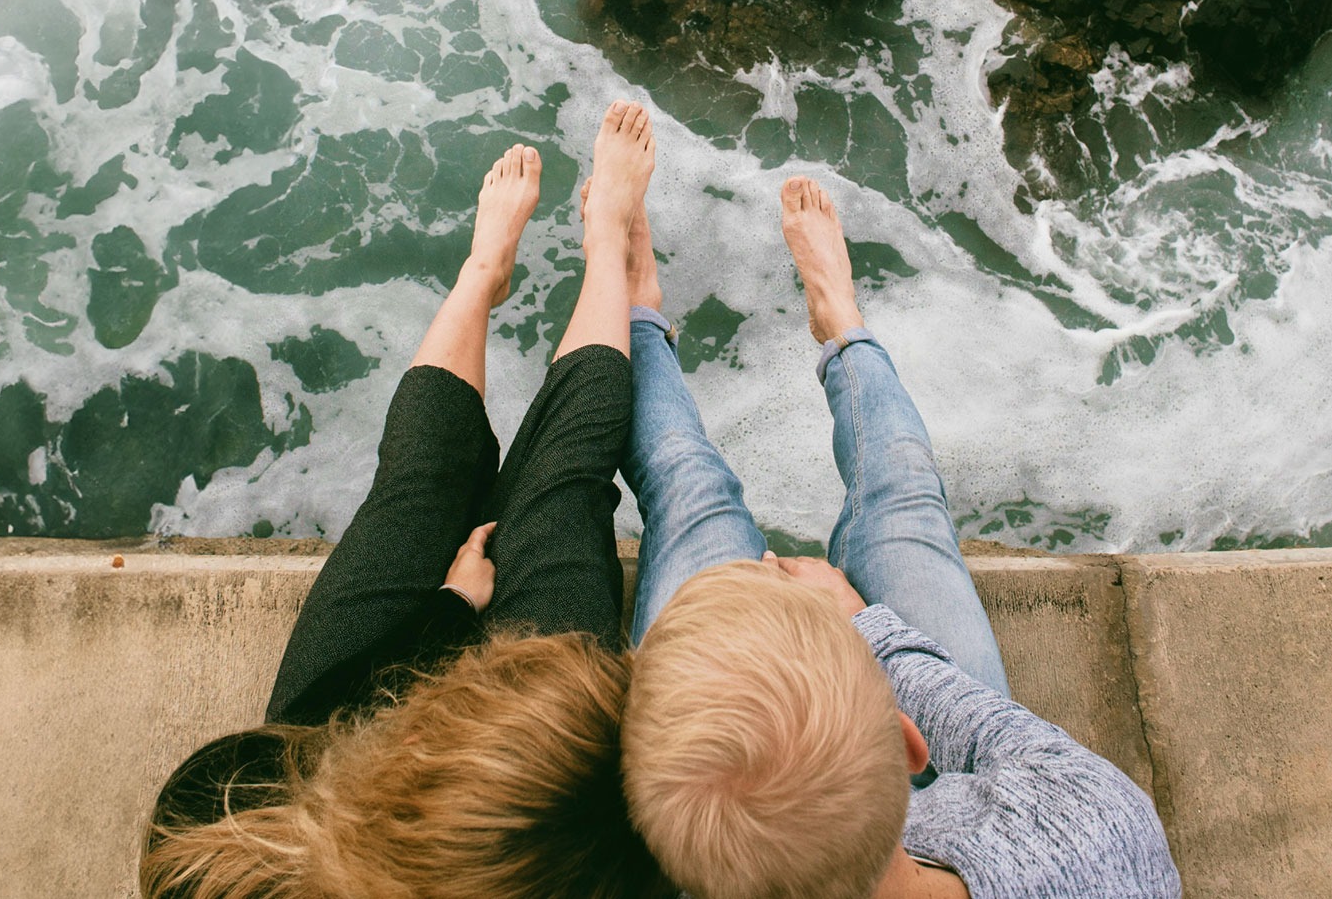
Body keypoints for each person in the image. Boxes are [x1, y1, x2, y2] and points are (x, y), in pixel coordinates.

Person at [139, 104, 678, 899]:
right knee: (562, 489)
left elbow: (306, 759)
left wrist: (450, 612)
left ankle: (481, 274)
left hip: (324, 745)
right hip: (518, 816)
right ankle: (606, 250)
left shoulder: (227, 834)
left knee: (416, 484)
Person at [616, 174, 1183, 898]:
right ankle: (840, 321)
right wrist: (861, 625)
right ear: (913, 743)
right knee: (903, 493)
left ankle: (639, 310)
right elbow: (997, 736)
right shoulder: (1094, 836)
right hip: (939, 825)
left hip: (771, 844)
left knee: (691, 493)